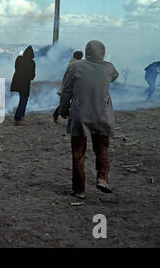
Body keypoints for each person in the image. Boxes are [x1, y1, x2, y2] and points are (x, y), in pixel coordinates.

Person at [59, 40, 119, 199]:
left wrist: (64, 109)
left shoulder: (76, 67)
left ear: (86, 51)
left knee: (78, 153)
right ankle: (102, 179)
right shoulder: (109, 68)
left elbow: (67, 90)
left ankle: (79, 190)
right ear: (103, 52)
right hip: (102, 114)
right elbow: (115, 77)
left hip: (80, 114)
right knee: (102, 148)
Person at [53, 51, 83, 123]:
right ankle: (62, 115)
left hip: (70, 86)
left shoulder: (73, 63)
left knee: (65, 102)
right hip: (71, 86)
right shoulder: (74, 64)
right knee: (67, 102)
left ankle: (59, 115)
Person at [10, 46, 36, 126]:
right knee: (23, 101)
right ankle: (18, 119)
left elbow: (16, 68)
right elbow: (32, 76)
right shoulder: (32, 63)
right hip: (25, 83)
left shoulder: (19, 59)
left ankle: (22, 116)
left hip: (17, 82)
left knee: (23, 100)